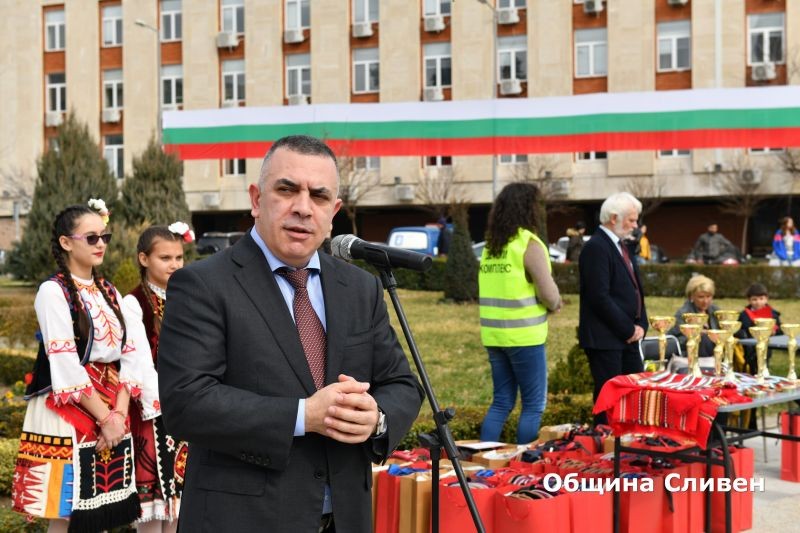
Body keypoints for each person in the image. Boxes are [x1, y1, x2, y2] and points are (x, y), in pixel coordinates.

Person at [157, 135, 423, 533]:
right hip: (244, 521)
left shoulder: (359, 287)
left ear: (333, 212)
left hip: (346, 517)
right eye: (287, 190)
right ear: (256, 199)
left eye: (318, 196)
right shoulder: (203, 284)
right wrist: (303, 416)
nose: (302, 207)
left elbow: (402, 384)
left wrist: (377, 418)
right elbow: (186, 402)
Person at [13, 201, 160, 532]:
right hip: (69, 405)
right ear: (66, 242)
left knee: (101, 509)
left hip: (110, 401)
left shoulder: (109, 291)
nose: (101, 244)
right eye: (91, 238)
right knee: (67, 512)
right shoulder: (53, 292)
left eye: (105, 237)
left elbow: (131, 354)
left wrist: (118, 414)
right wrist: (106, 418)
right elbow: (64, 362)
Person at [124, 223, 195, 532]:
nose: (174, 265)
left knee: (180, 507)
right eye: (165, 258)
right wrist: (169, 401)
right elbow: (138, 361)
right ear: (144, 259)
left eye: (179, 257)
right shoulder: (133, 302)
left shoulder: (188, 297)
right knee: (154, 510)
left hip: (187, 408)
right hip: (153, 413)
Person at [478, 183, 562, 444]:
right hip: (525, 336)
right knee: (533, 405)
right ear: (529, 209)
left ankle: (483, 457)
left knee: (501, 402)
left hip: (494, 337)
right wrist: (556, 303)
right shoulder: (528, 244)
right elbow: (548, 293)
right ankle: (525, 461)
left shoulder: (492, 247)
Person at [578, 192, 647, 425]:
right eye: (631, 220)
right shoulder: (596, 247)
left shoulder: (622, 245)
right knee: (609, 402)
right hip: (606, 339)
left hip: (627, 336)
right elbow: (599, 296)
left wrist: (641, 324)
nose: (635, 225)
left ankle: (628, 441)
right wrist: (628, 329)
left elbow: (636, 288)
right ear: (614, 218)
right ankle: (604, 442)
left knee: (634, 395)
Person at [667, 275, 720, 365]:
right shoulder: (683, 314)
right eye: (701, 297)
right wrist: (695, 334)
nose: (705, 301)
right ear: (691, 296)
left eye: (708, 296)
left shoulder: (716, 311)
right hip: (689, 356)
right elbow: (676, 340)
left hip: (715, 355)